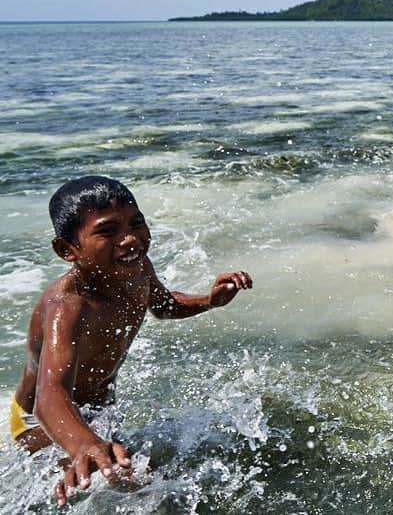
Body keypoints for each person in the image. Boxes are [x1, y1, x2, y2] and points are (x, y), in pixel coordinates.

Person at [10, 175, 253, 506]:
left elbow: (164, 306)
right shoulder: (67, 305)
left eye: (136, 223)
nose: (130, 239)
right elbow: (49, 395)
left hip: (95, 410)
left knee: (139, 474)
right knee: (126, 481)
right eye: (108, 231)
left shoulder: (137, 269)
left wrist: (208, 300)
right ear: (67, 250)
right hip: (41, 420)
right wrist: (82, 444)